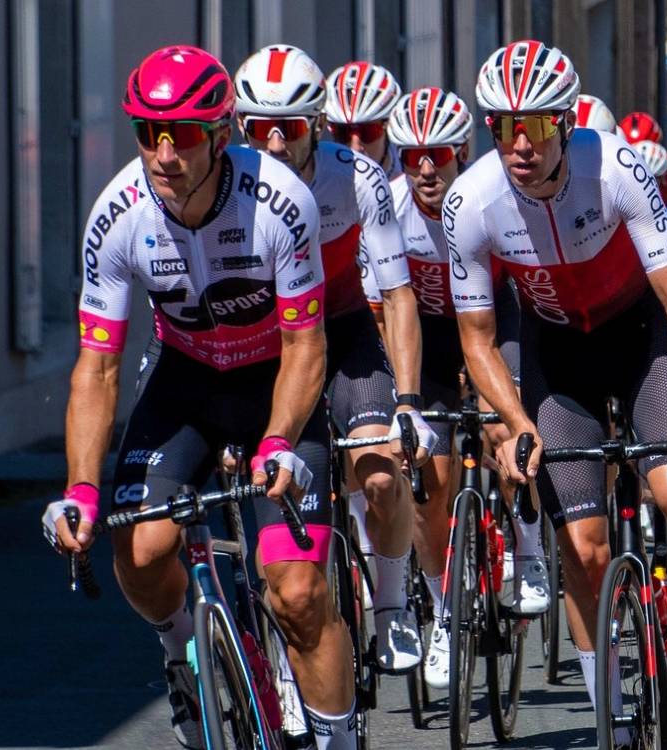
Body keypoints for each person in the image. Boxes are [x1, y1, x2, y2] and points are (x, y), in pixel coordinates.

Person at [45, 45, 355, 749]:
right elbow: (96, 368)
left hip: (273, 381)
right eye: (147, 133)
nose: (162, 152)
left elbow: (308, 347)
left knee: (298, 595)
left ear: (219, 136)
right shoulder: (117, 215)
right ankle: (181, 651)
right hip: (185, 382)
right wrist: (81, 489)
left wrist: (279, 442)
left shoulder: (280, 200)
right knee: (143, 552)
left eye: (181, 134)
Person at [445, 42, 667, 729]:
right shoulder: (472, 198)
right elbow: (478, 338)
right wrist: (517, 423)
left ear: (566, 121)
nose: (520, 143)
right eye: (502, 126)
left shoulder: (616, 167)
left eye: (538, 126)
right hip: (560, 357)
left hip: (638, 339)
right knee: (583, 551)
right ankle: (611, 719)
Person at [234, 45, 435, 677]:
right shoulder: (225, 187)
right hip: (265, 347)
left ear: (315, 125)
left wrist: (406, 401)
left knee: (379, 474)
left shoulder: (358, 178)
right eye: (256, 129)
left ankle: (394, 600)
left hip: (344, 333)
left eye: (289, 129)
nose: (271, 144)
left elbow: (398, 293)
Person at [383, 87, 542, 690]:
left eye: (440, 154)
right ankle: (444, 615)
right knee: (431, 483)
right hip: (427, 337)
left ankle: (527, 552)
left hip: (497, 325)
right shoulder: (390, 208)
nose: (426, 168)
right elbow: (385, 313)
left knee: (507, 430)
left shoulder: (489, 196)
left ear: (461, 154)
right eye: (412, 156)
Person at [323, 61, 401, 172]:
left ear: (388, 126)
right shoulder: (319, 181)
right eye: (342, 133)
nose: (355, 148)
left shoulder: (411, 178)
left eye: (368, 132)